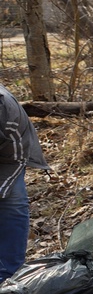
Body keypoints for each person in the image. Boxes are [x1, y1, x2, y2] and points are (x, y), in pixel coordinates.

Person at [0, 83, 47, 281]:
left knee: (12, 201)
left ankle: (8, 275)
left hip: (8, 155)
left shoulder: (7, 114)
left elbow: (15, 158)